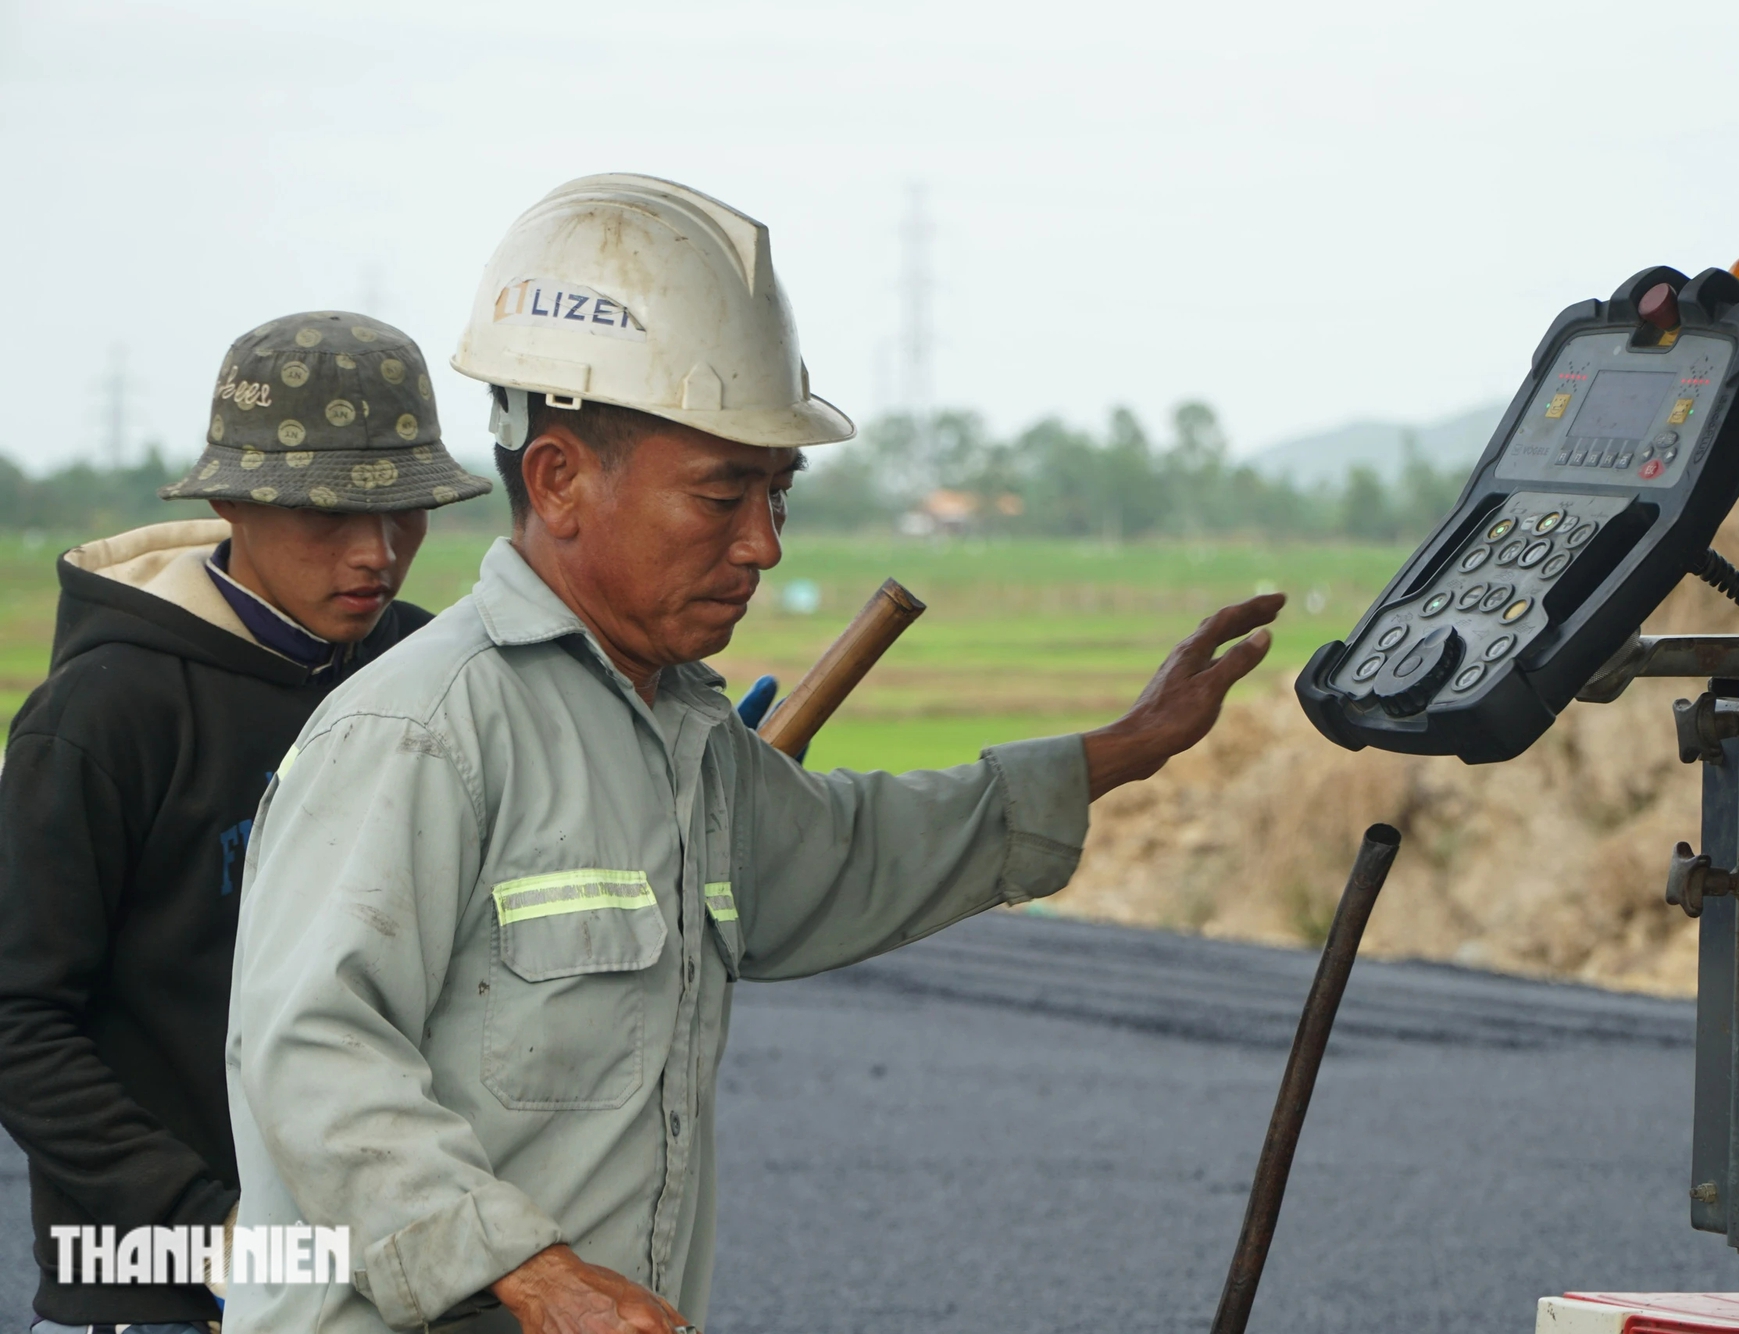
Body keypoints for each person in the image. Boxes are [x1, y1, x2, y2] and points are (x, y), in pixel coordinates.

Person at [223, 176, 1284, 1334]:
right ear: (561, 479)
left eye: (776, 493)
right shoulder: (422, 730)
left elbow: (851, 848)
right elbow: (311, 1057)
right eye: (722, 493)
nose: (762, 544)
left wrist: (1117, 750)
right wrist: (533, 1273)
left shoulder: (679, 735)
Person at [0, 312, 492, 1332]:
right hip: (159, 1290)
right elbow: (17, 1017)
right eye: (331, 516)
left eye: (407, 512)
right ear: (233, 500)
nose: (379, 550)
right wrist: (210, 1232)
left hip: (393, 1268)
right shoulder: (103, 715)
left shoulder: (430, 674)